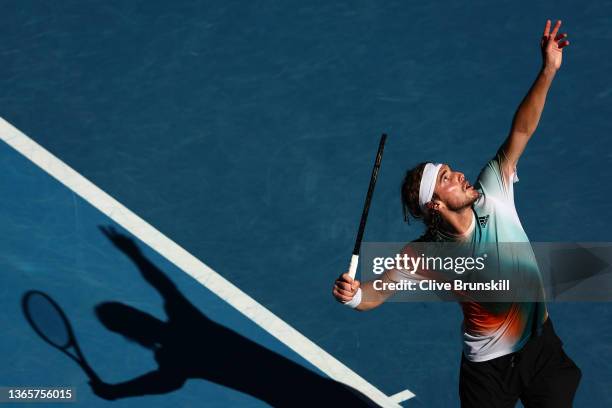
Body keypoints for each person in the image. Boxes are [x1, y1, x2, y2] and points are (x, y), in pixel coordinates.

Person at [332, 20, 581, 407]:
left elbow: (521, 131)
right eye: (447, 178)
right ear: (435, 204)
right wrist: (352, 296)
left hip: (540, 348)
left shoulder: (493, 192)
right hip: (488, 373)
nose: (460, 174)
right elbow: (375, 294)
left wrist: (548, 69)